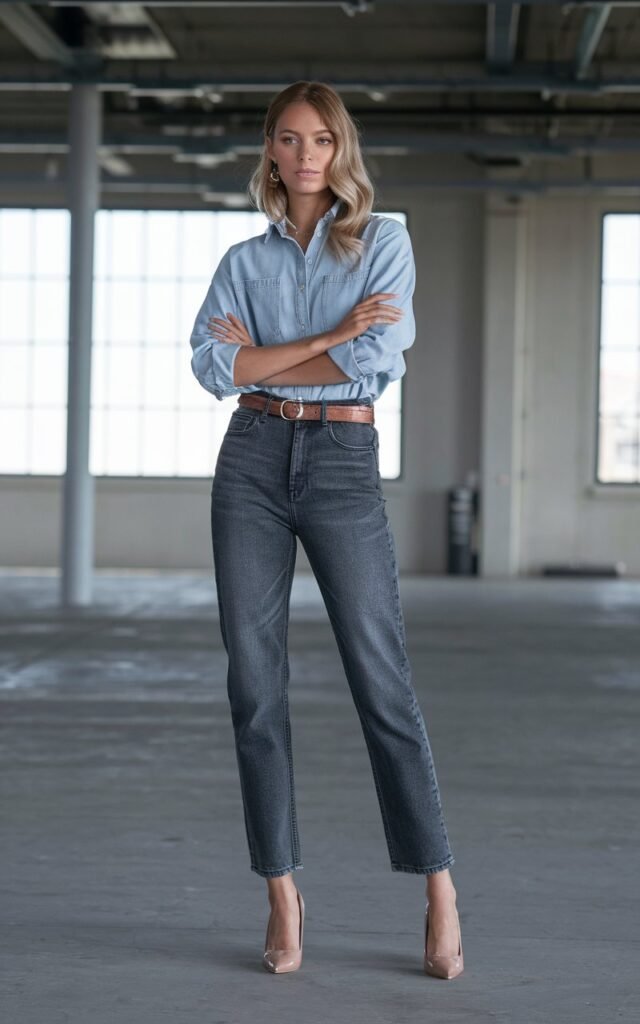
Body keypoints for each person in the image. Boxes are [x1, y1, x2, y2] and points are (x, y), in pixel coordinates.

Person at [189, 81, 463, 979]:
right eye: (291, 139)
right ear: (270, 150)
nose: (308, 154)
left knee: (382, 682)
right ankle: (281, 890)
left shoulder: (386, 241)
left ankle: (439, 889)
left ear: (340, 149)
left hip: (344, 465)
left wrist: (279, 353)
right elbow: (215, 369)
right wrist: (327, 337)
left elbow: (377, 356)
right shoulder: (242, 260)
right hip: (251, 464)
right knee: (254, 689)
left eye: (323, 138)